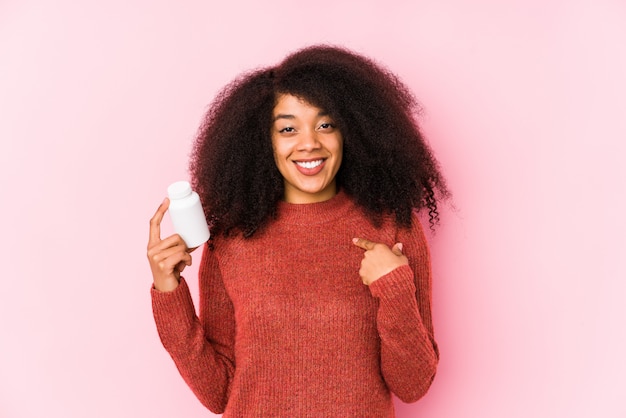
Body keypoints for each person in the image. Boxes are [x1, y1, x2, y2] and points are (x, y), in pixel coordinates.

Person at [147, 44, 449, 417]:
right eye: (288, 128)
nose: (309, 143)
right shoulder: (233, 236)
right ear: (264, 141)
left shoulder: (391, 226)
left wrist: (394, 287)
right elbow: (219, 393)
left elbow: (413, 384)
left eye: (326, 124)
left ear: (350, 131)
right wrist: (169, 291)